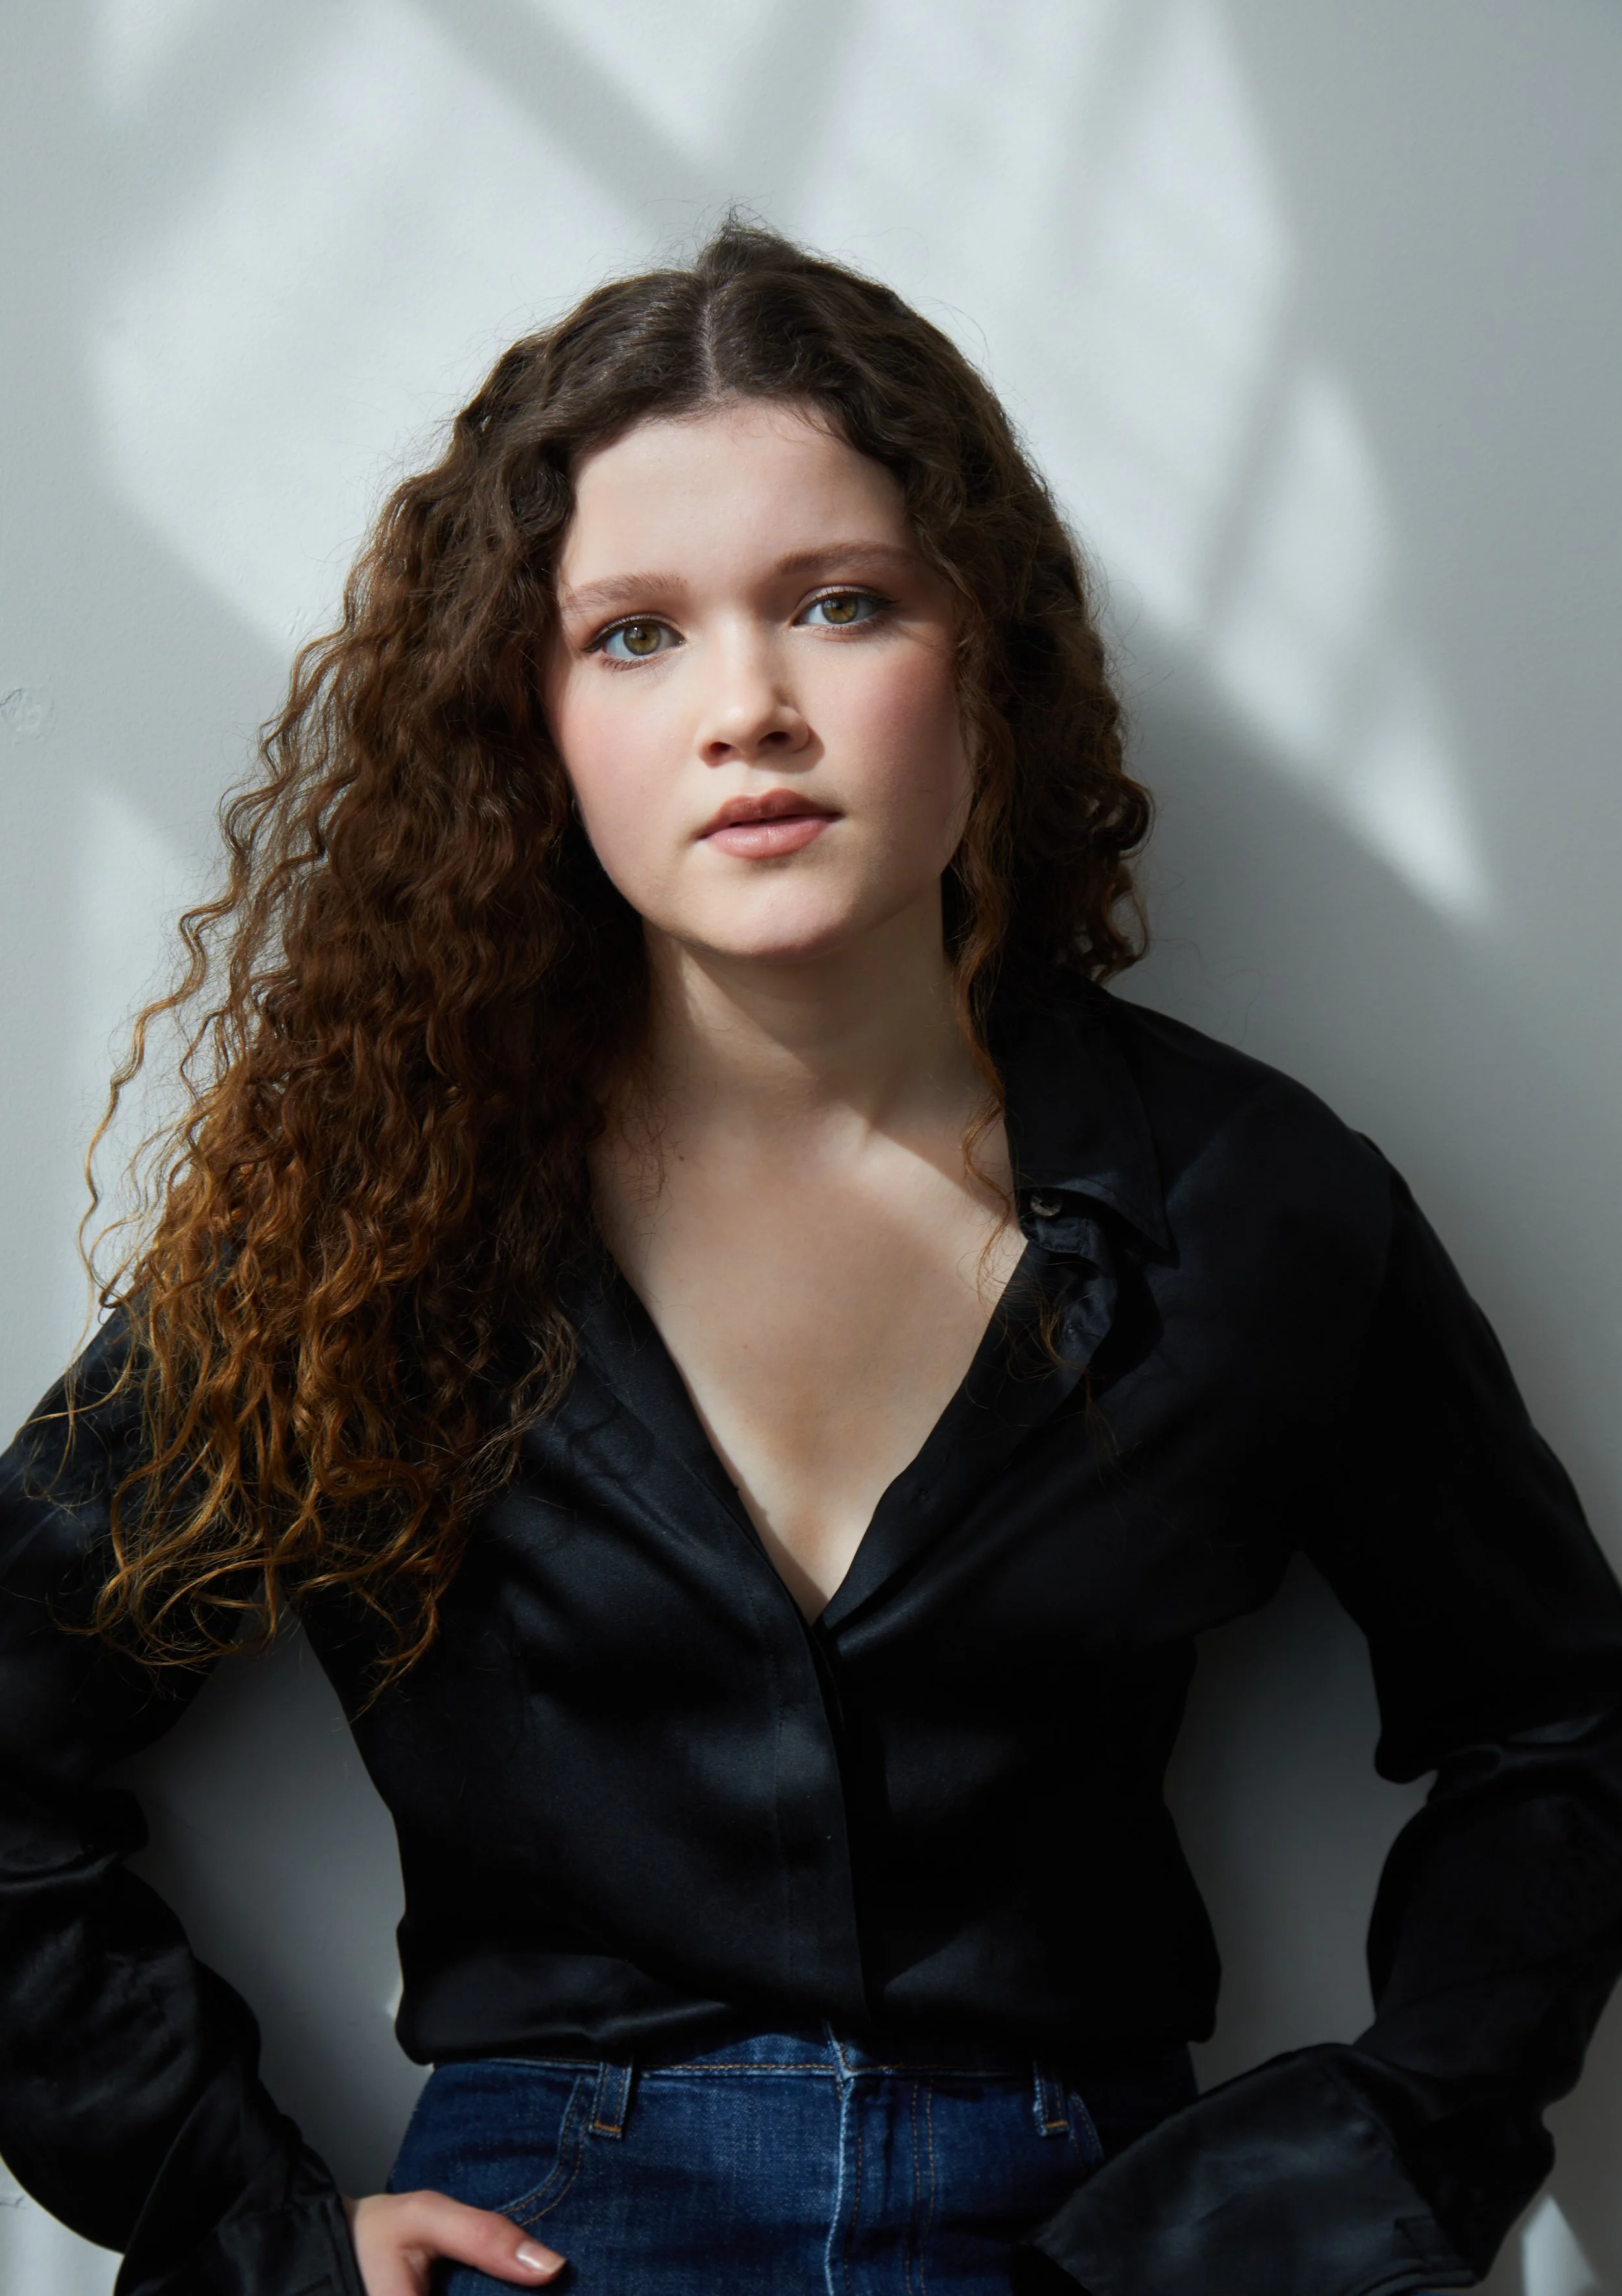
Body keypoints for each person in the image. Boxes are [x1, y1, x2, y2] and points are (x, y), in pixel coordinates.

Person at [2, 221, 1621, 2296]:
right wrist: (253, 2234)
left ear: (986, 660)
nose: (748, 710)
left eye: (838, 604)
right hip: (549, 2235)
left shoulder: (1245, 1196)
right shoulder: (366, 1219)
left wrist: (1366, 2165)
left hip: (1096, 2237)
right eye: (632, 636)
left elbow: (1560, 1724)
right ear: (528, 717)